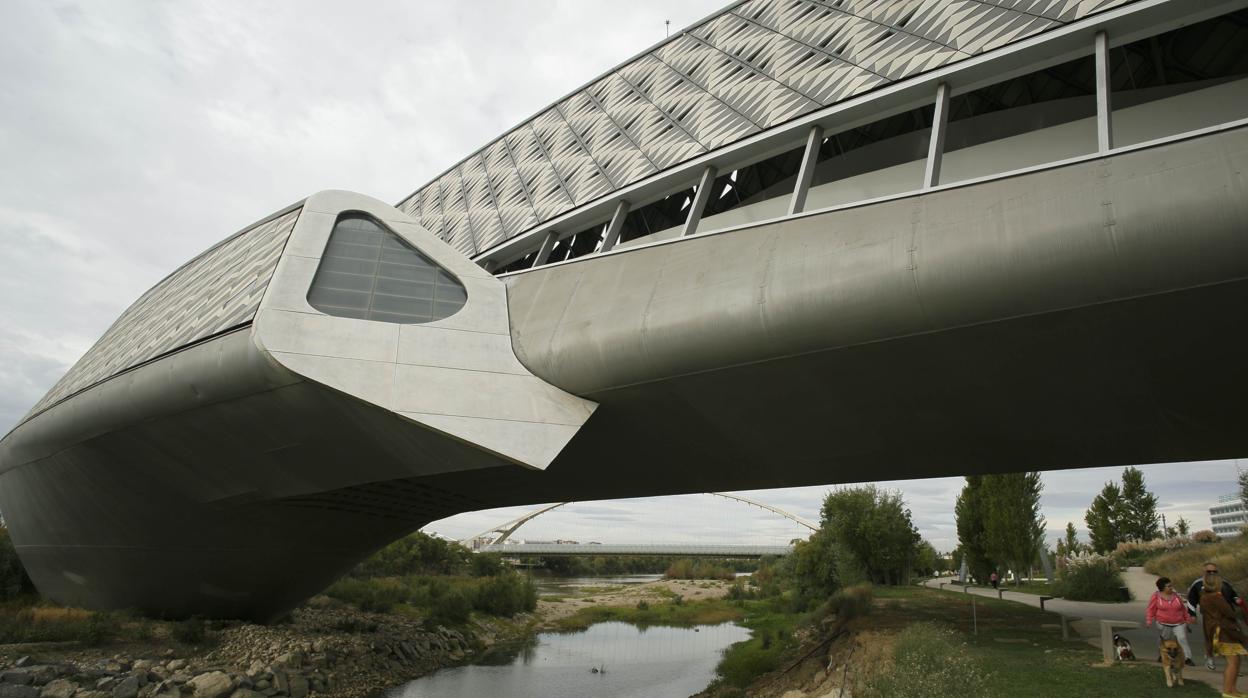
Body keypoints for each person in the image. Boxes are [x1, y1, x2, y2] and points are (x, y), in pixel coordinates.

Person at [1198, 569, 1248, 697]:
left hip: (1220, 632)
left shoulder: (1205, 596)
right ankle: (1228, 690)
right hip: (1224, 632)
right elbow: (1230, 613)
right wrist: (1240, 606)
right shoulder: (1215, 597)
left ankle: (1232, 689)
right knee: (1233, 662)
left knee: (1236, 661)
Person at [1188, 561, 1246, 670]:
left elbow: (1233, 595)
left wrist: (1237, 601)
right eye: (1209, 571)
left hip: (1227, 617)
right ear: (1203, 571)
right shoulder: (1197, 584)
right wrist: (1192, 614)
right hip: (1210, 617)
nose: (1211, 573)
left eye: (1214, 571)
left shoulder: (1224, 583)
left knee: (1231, 639)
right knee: (1210, 638)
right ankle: (1210, 658)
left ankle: (1232, 665)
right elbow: (1191, 600)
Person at [1147, 576, 1195, 666]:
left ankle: (1187, 658)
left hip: (1179, 622)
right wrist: (1149, 620)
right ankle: (1162, 655)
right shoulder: (1156, 596)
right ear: (1162, 588)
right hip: (1163, 622)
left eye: (1171, 586)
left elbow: (1183, 609)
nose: (1171, 588)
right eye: (1168, 586)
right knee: (1164, 641)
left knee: (1182, 639)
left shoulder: (1176, 596)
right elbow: (1151, 609)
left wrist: (1187, 620)